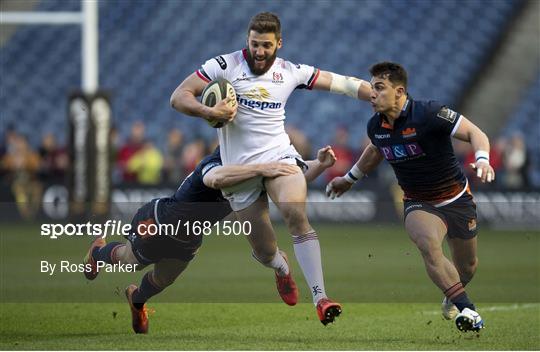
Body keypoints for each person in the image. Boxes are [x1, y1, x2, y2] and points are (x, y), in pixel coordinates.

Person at [170, 12, 371, 324]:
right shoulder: (223, 66)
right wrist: (209, 110)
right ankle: (281, 267)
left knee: (295, 214)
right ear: (247, 41)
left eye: (266, 45)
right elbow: (178, 97)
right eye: (254, 44)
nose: (259, 51)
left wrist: (376, 94)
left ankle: (320, 298)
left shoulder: (290, 71)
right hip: (239, 172)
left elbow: (341, 83)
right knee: (265, 252)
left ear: (279, 43)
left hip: (280, 158)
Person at [83, 146, 336, 334]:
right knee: (130, 261)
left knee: (162, 280)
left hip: (189, 238)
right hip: (160, 222)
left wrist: (321, 165)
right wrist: (263, 169)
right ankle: (98, 252)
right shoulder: (216, 162)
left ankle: (136, 299)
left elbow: (290, 178)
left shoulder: (257, 164)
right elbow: (214, 179)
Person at [326, 62, 494, 333]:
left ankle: (453, 293)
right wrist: (348, 179)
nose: (372, 93)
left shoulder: (430, 113)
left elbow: (476, 133)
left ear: (399, 91)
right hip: (419, 201)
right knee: (428, 245)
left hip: (456, 197)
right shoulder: (375, 126)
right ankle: (468, 310)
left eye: (379, 88)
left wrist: (483, 160)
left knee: (468, 266)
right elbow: (375, 151)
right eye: (372, 87)